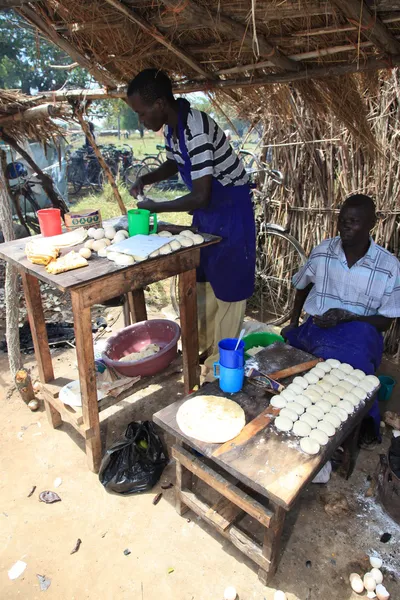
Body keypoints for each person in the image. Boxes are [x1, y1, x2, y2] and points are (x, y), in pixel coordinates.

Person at [126, 69, 255, 373]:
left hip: (230, 211)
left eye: (141, 113)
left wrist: (156, 208)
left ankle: (222, 365)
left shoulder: (195, 127)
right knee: (205, 282)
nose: (140, 120)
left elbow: (200, 196)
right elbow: (175, 161)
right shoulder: (174, 127)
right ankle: (202, 351)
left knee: (229, 288)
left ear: (159, 104)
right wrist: (147, 176)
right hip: (209, 213)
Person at [282, 194, 400, 446]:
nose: (346, 226)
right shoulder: (323, 251)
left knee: (348, 372)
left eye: (355, 221)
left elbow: (386, 322)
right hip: (318, 328)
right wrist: (293, 322)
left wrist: (348, 316)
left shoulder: (388, 266)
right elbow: (301, 286)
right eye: (343, 220)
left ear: (372, 223)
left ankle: (358, 426)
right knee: (290, 363)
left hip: (361, 334)